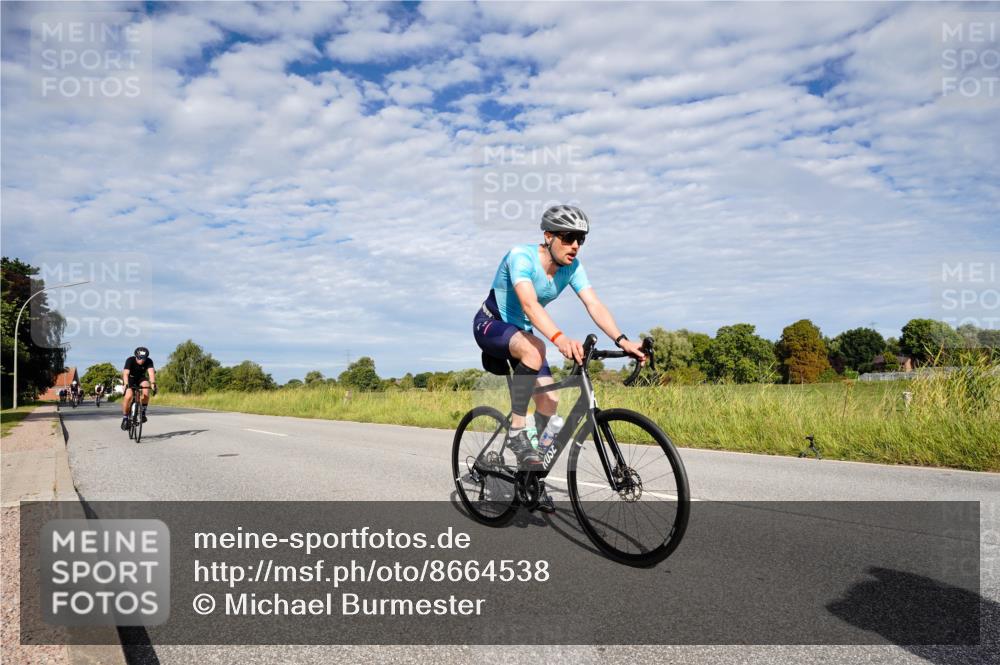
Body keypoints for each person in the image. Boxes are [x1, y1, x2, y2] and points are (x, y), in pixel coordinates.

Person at [473, 205, 646, 510]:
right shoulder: (521, 256)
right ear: (548, 236)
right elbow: (529, 304)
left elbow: (593, 304)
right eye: (568, 238)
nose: (575, 245)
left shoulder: (573, 268)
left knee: (550, 401)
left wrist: (622, 340)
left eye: (581, 239)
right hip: (491, 324)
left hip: (524, 333)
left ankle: (530, 476)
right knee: (535, 347)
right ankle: (516, 432)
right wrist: (560, 338)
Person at [121, 347, 157, 430]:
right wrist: (126, 384)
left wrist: (153, 383)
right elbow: (125, 374)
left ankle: (143, 413)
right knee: (129, 396)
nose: (142, 360)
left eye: (144, 358)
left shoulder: (149, 361)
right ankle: (125, 417)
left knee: (146, 388)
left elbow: (151, 373)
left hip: (141, 378)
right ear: (136, 356)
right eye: (140, 358)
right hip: (130, 378)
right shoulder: (130, 360)